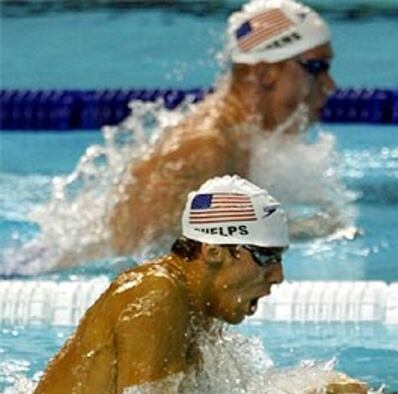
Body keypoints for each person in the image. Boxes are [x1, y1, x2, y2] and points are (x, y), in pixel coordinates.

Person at [19, 176, 396, 394]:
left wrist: (319, 393)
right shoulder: (156, 297)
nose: (278, 277)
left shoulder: (199, 307)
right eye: (266, 257)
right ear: (215, 251)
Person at [93, 0, 342, 261]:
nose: (330, 85)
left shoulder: (239, 138)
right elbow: (142, 260)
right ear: (266, 72)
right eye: (317, 67)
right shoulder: (206, 149)